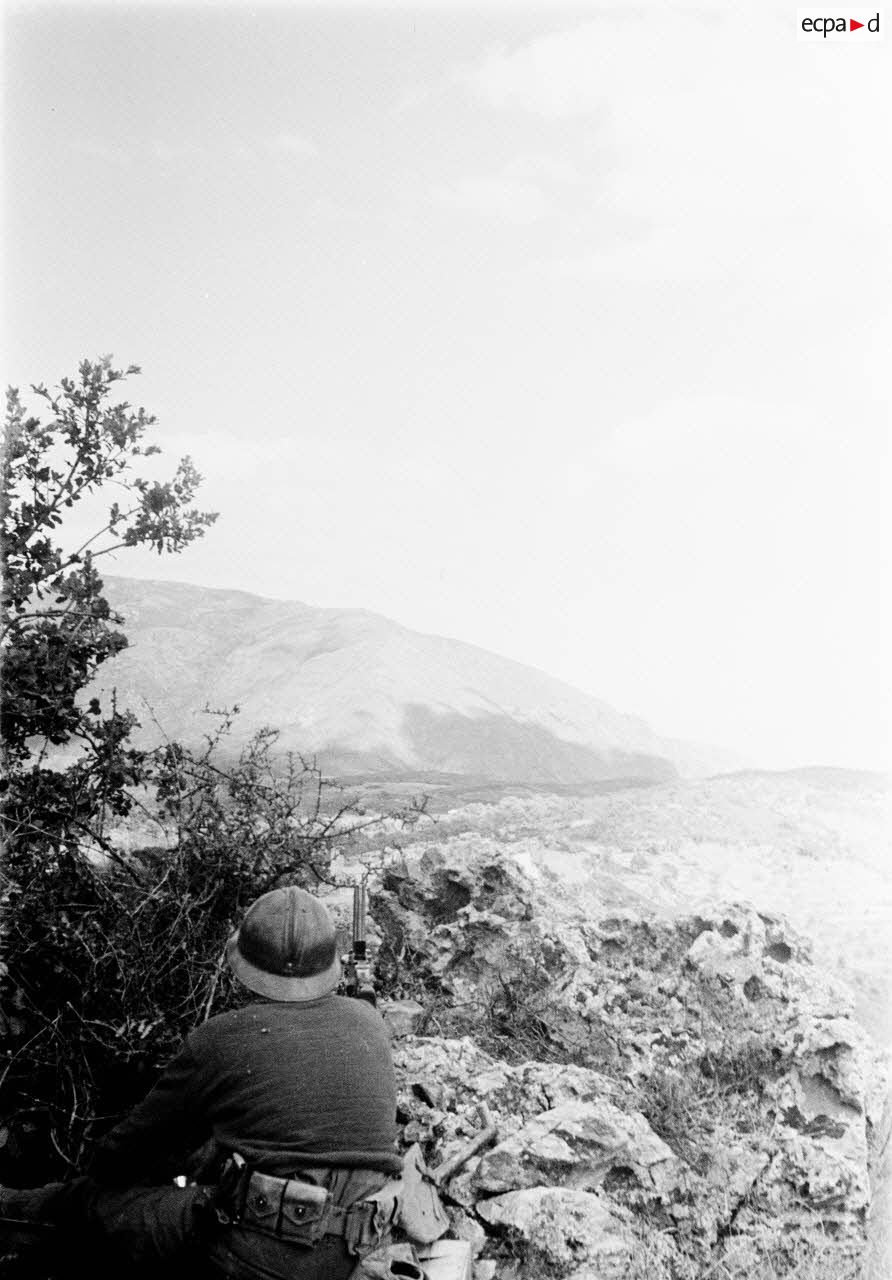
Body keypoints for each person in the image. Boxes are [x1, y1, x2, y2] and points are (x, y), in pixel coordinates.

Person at [0, 886, 404, 1278]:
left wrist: (106, 1168)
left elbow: (123, 1155)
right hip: (360, 1250)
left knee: (96, 1206)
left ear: (245, 967)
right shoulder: (368, 1020)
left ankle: (11, 1213)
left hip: (269, 1253)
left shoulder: (222, 1037)